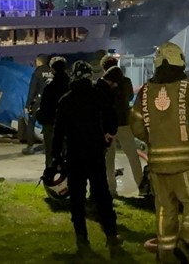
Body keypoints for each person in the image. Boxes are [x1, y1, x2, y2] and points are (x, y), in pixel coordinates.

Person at [130, 42, 189, 263]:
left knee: (165, 210)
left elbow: (136, 125)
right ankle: (186, 241)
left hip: (158, 163)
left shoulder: (145, 91)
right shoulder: (187, 87)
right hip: (186, 163)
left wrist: (154, 140)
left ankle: (165, 255)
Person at [51, 60, 122, 256]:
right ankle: (111, 235)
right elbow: (111, 118)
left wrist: (56, 156)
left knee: (77, 197)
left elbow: (59, 132)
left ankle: (82, 238)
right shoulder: (97, 95)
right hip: (95, 152)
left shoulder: (66, 100)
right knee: (102, 195)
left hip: (74, 154)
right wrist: (108, 136)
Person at [99, 54, 142, 197]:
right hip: (124, 122)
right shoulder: (126, 81)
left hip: (107, 126)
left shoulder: (103, 84)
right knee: (132, 156)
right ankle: (141, 186)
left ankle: (111, 189)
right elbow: (129, 97)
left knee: (108, 159)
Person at [37, 56, 70, 169]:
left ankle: (50, 175)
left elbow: (44, 106)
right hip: (69, 124)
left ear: (52, 70)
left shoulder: (49, 88)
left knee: (50, 152)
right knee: (67, 151)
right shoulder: (71, 86)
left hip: (50, 123)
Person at [21, 56, 45, 153]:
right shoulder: (52, 72)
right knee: (48, 125)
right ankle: (47, 146)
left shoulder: (37, 73)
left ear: (39, 62)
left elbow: (32, 90)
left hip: (38, 102)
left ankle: (30, 147)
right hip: (49, 102)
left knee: (31, 122)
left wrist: (27, 105)